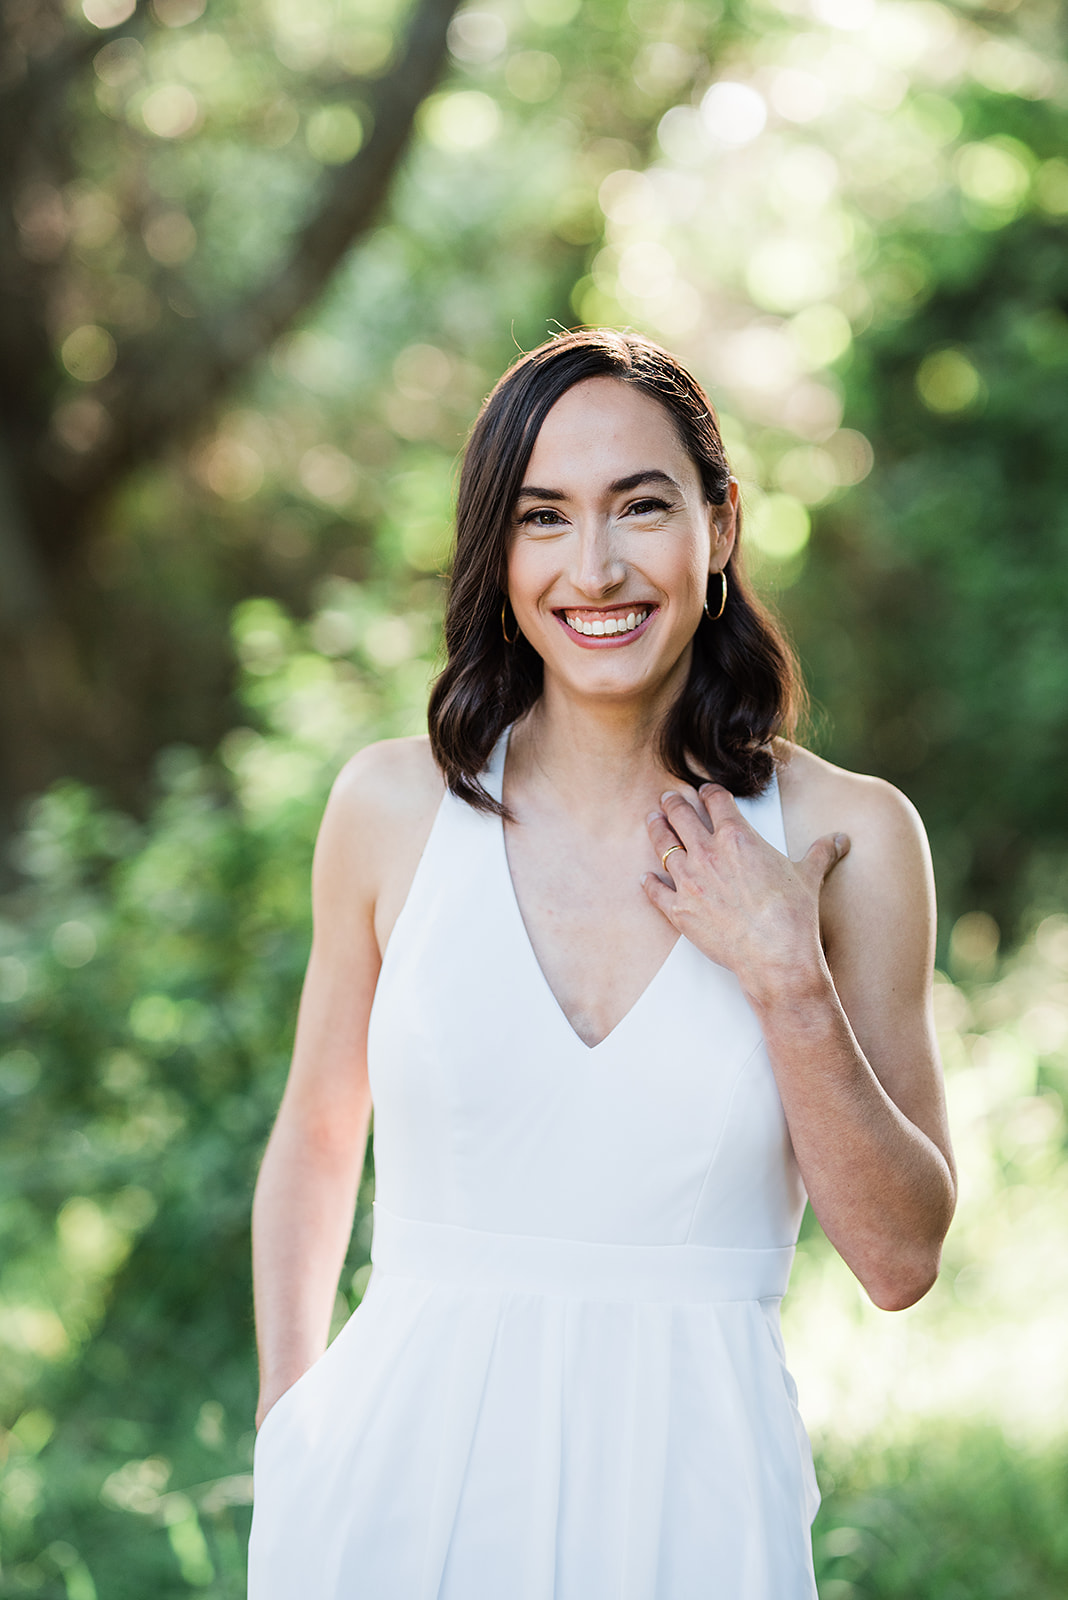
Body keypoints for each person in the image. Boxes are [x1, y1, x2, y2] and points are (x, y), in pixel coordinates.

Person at [246, 329, 956, 1599]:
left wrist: (785, 973)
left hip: (697, 1511)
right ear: (497, 551)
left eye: (642, 507)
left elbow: (902, 1260)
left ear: (720, 526)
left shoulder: (856, 837)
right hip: (386, 1500)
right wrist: (289, 1426)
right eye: (544, 518)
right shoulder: (392, 807)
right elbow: (315, 1129)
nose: (596, 568)